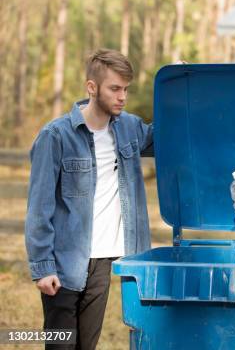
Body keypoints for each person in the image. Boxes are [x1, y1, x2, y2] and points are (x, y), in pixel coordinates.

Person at [25, 49, 153, 349]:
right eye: (114, 88)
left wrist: (179, 85)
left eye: (125, 89)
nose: (122, 97)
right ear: (91, 87)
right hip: (65, 261)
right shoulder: (55, 136)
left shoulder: (130, 128)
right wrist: (42, 267)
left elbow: (168, 135)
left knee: (87, 345)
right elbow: (39, 208)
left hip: (105, 259)